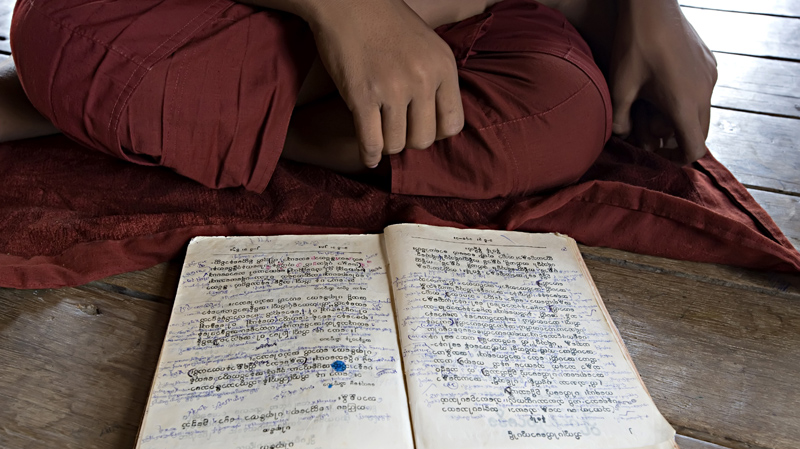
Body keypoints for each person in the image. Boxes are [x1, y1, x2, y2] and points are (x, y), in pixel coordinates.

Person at [3, 0, 716, 198]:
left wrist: (655, 9)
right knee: (71, 33)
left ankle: (188, 122)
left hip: (486, 28)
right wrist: (348, 11)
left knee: (562, 113)